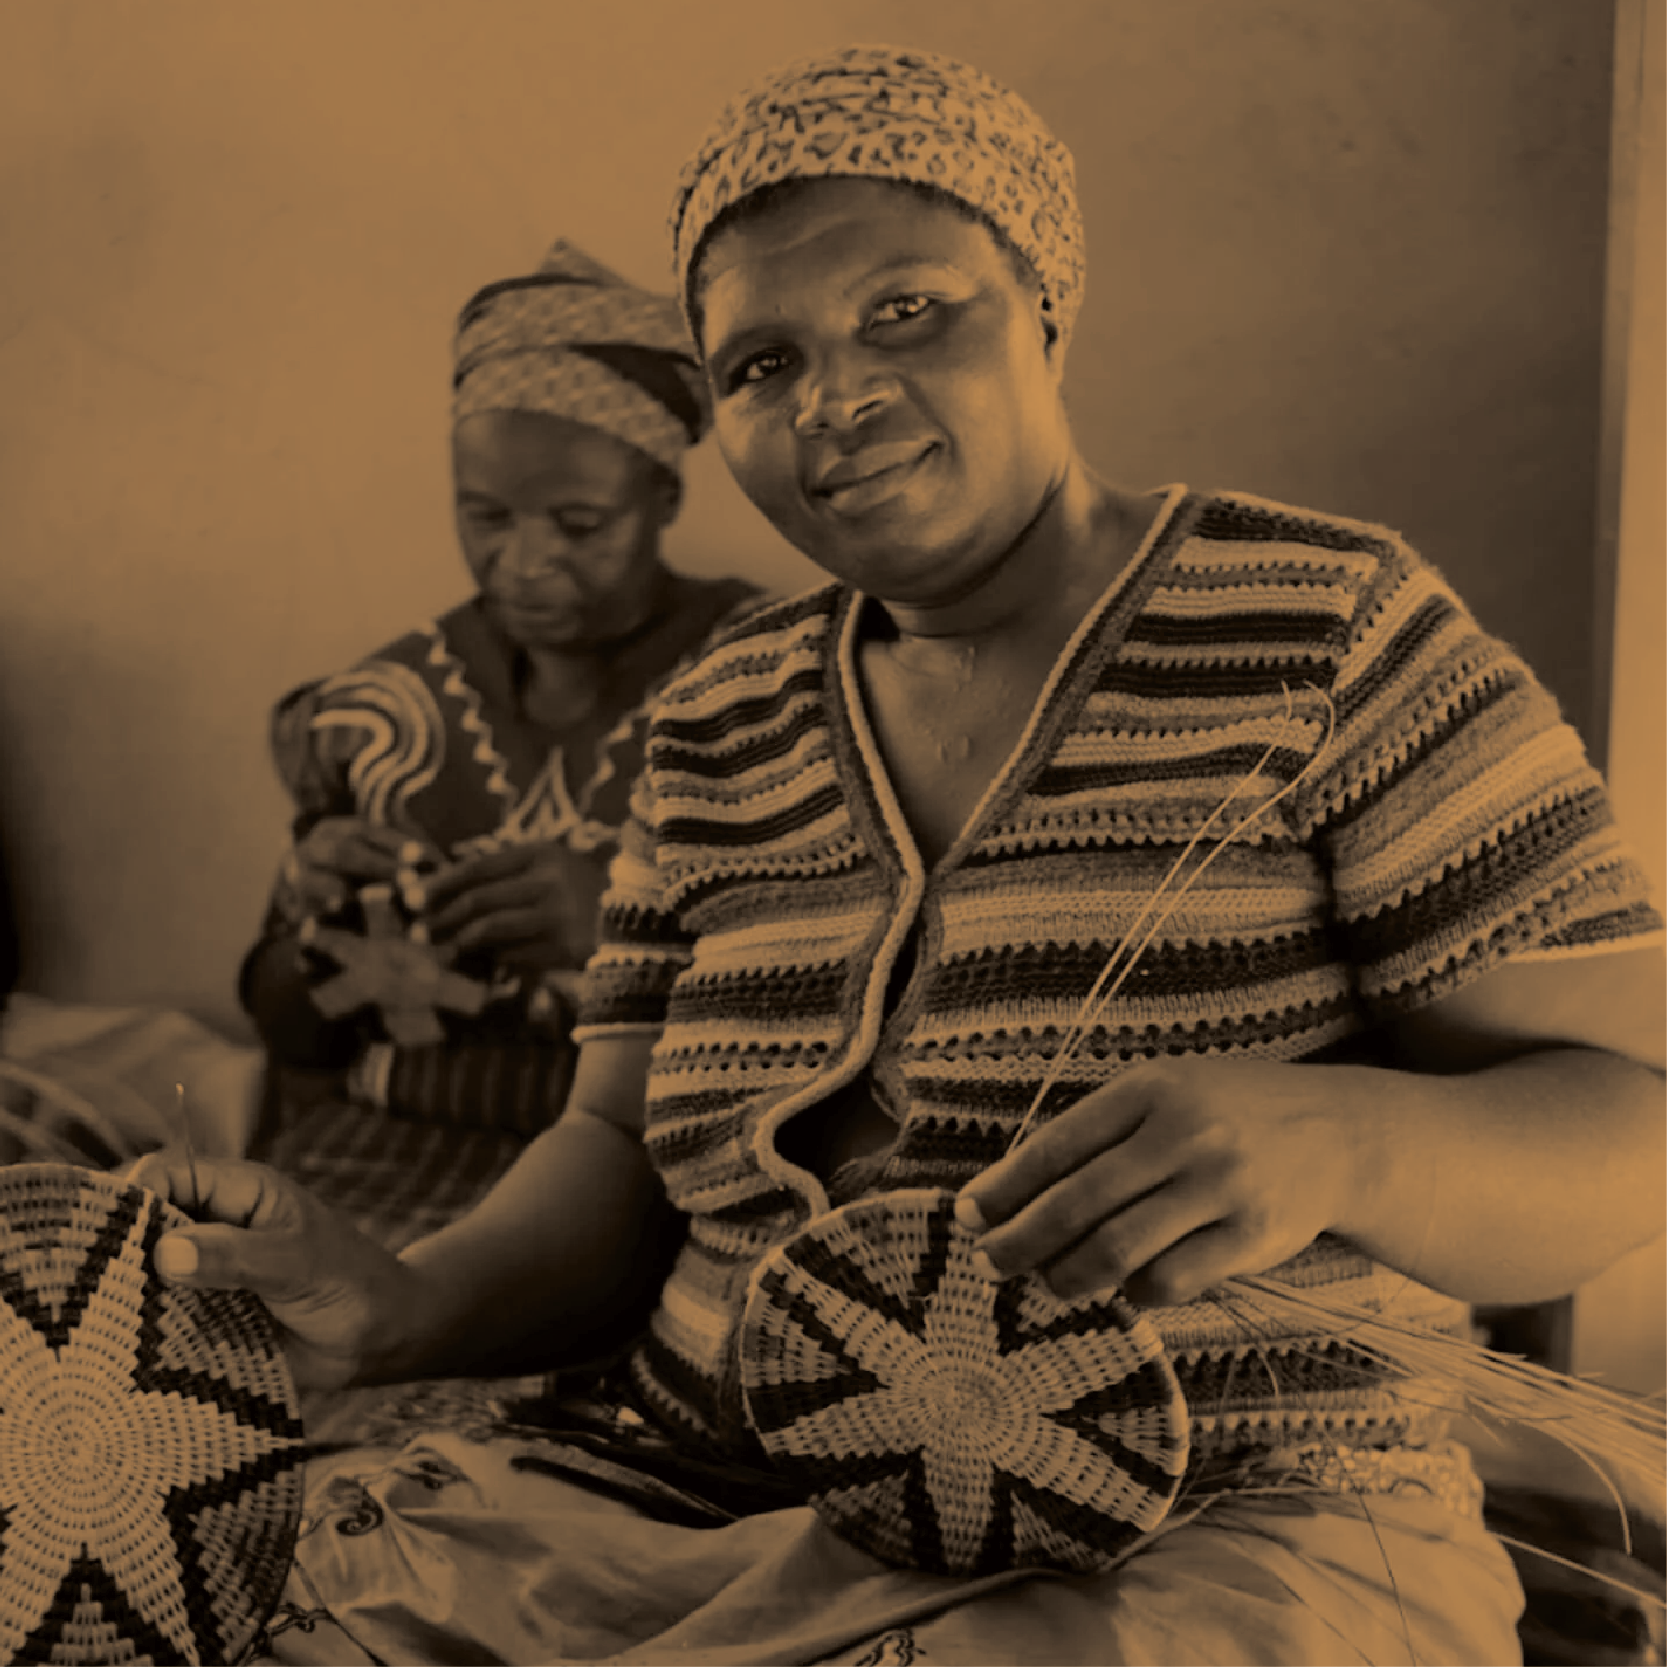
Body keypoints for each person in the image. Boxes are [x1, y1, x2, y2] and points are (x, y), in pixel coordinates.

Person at [136, 46, 1663, 1666]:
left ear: (1043, 299)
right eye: (758, 363)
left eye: (907, 312)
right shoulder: (716, 719)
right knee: (199, 1596)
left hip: (1212, 1523)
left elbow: (1622, 1117)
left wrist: (1340, 1143)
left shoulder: (1328, 629)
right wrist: (397, 1302)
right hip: (686, 1506)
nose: (832, 399)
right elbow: (616, 1157)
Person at [238, 238, 764, 1249]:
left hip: (651, 1187)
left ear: (663, 497)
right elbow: (286, 1028)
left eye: (577, 523)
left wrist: (620, 925)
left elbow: (841, 1012)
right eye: (482, 515)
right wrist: (318, 927)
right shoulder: (376, 710)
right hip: (372, 1155)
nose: (521, 562)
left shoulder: (765, 685)